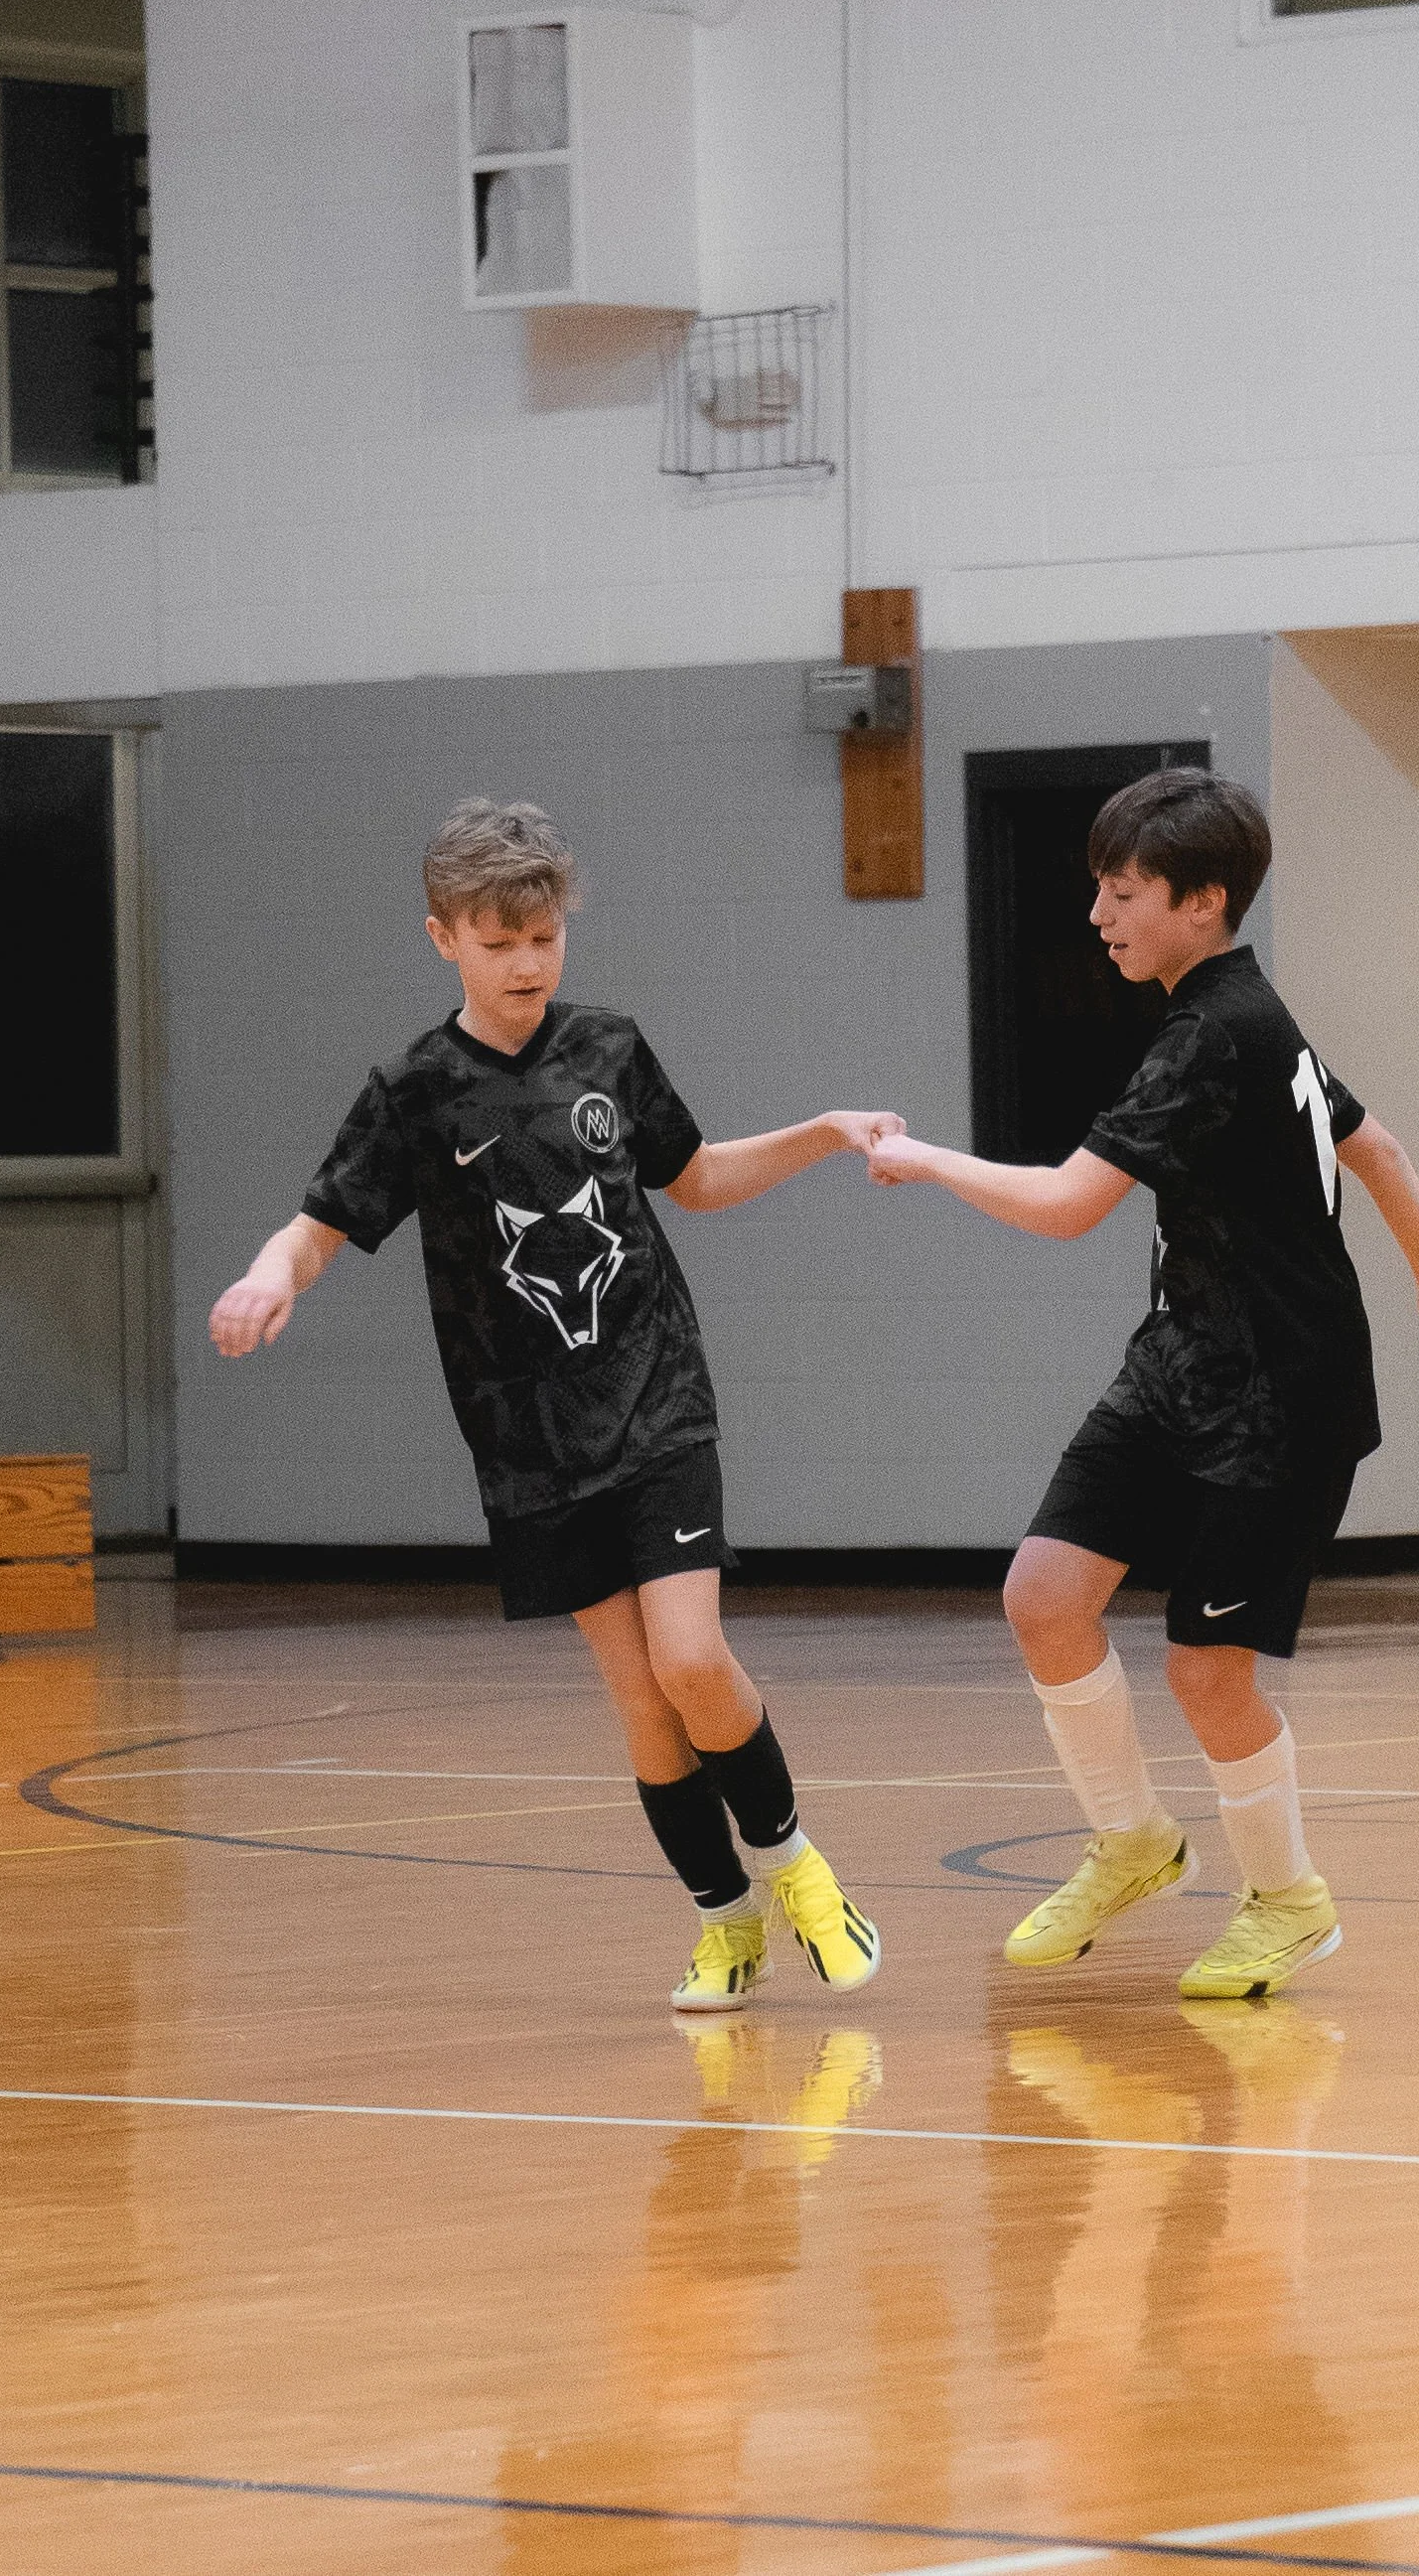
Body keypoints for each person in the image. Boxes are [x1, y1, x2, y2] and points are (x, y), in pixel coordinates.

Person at [209, 795, 894, 2015]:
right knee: (637, 1693)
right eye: (500, 941)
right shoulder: (414, 1091)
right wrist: (271, 1274)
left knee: (691, 1658)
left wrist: (824, 1133)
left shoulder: (610, 1050)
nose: (528, 962)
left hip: (655, 1393)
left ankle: (793, 1866)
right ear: (444, 941)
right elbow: (319, 1230)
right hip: (526, 1435)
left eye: (545, 937)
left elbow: (698, 1178)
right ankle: (723, 1920)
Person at [868, 766, 1419, 1998]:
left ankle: (1288, 1900)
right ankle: (1133, 1843)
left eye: (1123, 891)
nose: (1100, 916)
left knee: (1209, 1671)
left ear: (1202, 903)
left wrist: (926, 1159)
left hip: (1284, 1394)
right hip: (1180, 1364)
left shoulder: (1219, 1031)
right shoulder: (1241, 1016)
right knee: (1045, 1598)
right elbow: (1376, 1144)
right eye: (1097, 889)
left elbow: (1062, 1208)